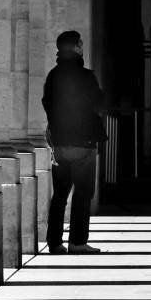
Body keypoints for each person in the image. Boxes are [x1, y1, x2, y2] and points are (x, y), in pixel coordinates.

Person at [41, 30, 108, 254]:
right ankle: (77, 242)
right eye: (80, 43)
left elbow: (47, 103)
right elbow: (99, 104)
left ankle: (55, 242)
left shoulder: (53, 75)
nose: (82, 46)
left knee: (60, 193)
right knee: (82, 193)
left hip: (61, 144)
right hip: (84, 143)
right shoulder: (86, 77)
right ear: (77, 48)